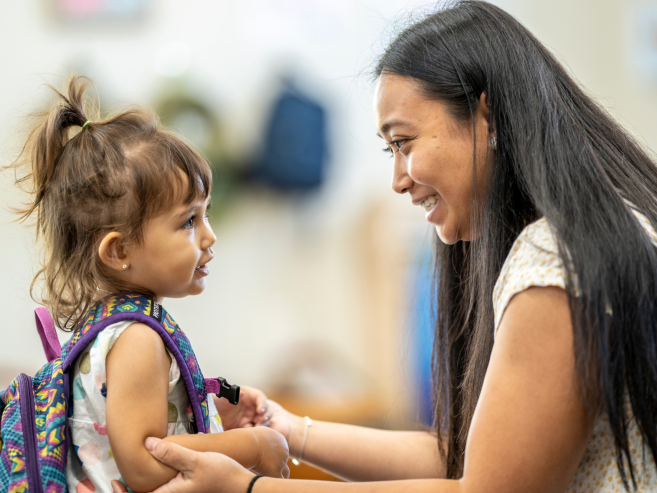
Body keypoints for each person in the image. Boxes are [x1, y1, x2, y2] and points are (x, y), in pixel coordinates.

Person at [140, 1, 657, 493]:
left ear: (488, 115)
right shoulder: (585, 232)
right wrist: (291, 429)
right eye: (389, 150)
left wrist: (250, 487)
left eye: (403, 144)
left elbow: (486, 487)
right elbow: (476, 458)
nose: (397, 179)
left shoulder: (552, 262)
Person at [7, 77, 290, 492]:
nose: (209, 237)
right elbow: (145, 464)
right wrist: (255, 445)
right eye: (188, 221)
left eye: (205, 214)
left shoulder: (107, 326)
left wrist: (211, 415)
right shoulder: (137, 339)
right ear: (119, 251)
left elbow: (141, 431)